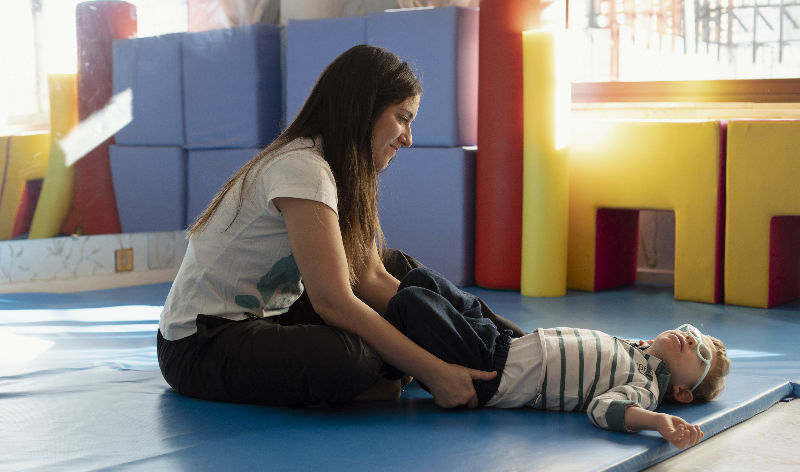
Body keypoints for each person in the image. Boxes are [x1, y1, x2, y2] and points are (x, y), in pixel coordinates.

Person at [156, 44, 524, 409]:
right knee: (351, 359)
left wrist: (451, 336)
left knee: (400, 268)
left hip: (276, 315)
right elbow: (333, 302)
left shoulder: (340, 168)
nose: (408, 138)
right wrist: (435, 371)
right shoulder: (303, 167)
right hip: (201, 342)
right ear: (364, 109)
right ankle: (394, 374)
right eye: (403, 118)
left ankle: (512, 347)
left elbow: (369, 277)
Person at [382, 267, 731, 450]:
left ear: (682, 392)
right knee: (421, 279)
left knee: (411, 302)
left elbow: (604, 410)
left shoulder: (646, 387)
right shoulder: (636, 349)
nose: (691, 339)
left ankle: (384, 368)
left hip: (492, 371)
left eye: (700, 353)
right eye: (693, 332)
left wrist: (656, 422)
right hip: (506, 342)